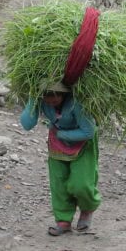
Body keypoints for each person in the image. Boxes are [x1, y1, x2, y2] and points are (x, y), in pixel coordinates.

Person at [20, 82, 101, 235]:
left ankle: (87, 209)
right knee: (59, 183)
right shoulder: (41, 100)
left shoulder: (76, 104)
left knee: (81, 183)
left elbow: (89, 131)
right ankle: (63, 221)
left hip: (83, 143)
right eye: (46, 100)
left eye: (55, 100)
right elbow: (26, 124)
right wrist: (33, 99)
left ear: (64, 95)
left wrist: (62, 134)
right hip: (57, 143)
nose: (50, 103)